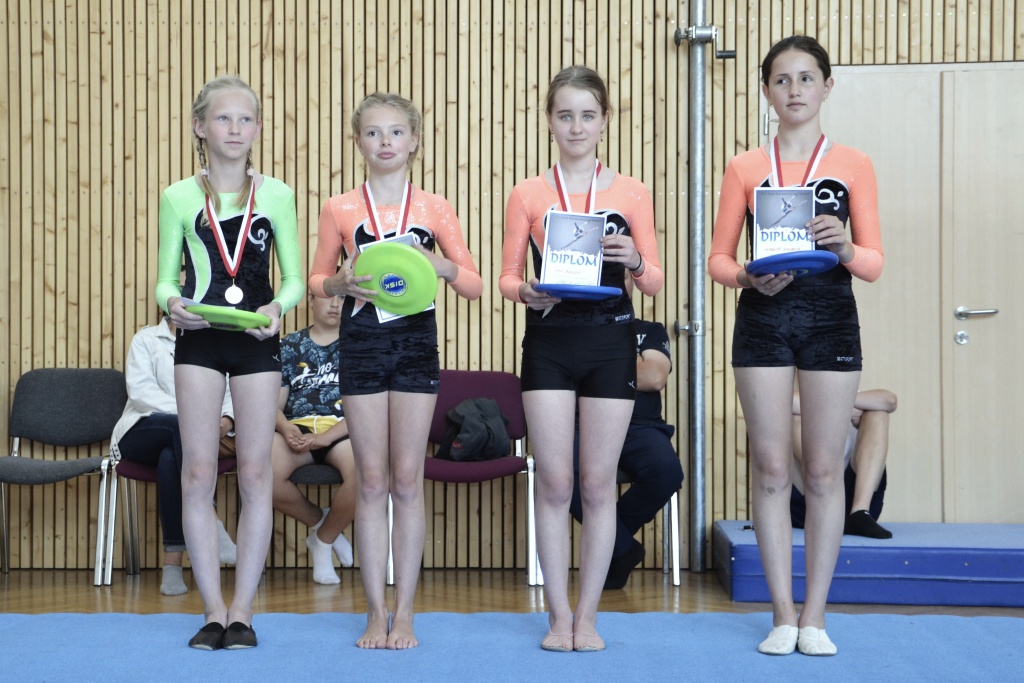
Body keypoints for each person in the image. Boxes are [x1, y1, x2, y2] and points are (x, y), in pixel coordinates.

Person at [708, 36, 883, 657]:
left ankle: (816, 616)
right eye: (782, 80)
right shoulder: (744, 167)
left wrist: (845, 247)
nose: (795, 90)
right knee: (772, 466)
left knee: (824, 469)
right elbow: (718, 259)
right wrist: (745, 277)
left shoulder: (854, 164)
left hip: (830, 317)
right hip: (763, 317)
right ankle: (782, 614)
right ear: (766, 91)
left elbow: (874, 263)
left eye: (807, 78)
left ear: (827, 87)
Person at [309, 92, 482, 649]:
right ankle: (373, 611)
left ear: (415, 142)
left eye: (396, 132)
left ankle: (404, 613)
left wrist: (442, 265)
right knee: (371, 480)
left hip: (414, 343)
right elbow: (316, 280)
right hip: (361, 343)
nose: (385, 142)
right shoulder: (340, 207)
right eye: (373, 133)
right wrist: (337, 283)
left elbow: (474, 285)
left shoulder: (434, 208)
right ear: (357, 142)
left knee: (407, 479)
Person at [500, 65, 664, 653]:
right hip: (549, 342)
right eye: (565, 115)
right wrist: (525, 291)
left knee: (597, 485)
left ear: (604, 120)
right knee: (554, 482)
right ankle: (557, 615)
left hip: (611, 342)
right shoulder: (528, 193)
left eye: (587, 115)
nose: (576, 126)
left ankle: (588, 617)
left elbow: (654, 282)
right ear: (549, 120)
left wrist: (635, 259)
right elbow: (507, 277)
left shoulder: (631, 192)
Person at [156, 75, 304, 650]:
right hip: (199, 340)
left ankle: (243, 610)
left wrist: (278, 307)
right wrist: (171, 304)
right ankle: (212, 610)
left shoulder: (278, 195)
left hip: (255, 341)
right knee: (197, 471)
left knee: (255, 472)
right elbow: (166, 278)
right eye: (223, 118)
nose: (235, 129)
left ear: (258, 129)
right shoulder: (178, 197)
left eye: (245, 119)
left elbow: (293, 279)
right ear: (200, 127)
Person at [111, 311, 239, 596]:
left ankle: (172, 565)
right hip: (140, 429)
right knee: (182, 427)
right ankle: (212, 522)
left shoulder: (216, 342)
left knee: (170, 458)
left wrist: (227, 420)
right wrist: (197, 416)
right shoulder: (146, 339)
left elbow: (232, 391)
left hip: (191, 435)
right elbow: (142, 393)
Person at [568, 277, 683, 590]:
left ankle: (611, 543)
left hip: (640, 427)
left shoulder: (650, 330)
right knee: (563, 474)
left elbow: (654, 376)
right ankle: (622, 548)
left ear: (633, 284)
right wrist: (627, 366)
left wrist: (597, 364)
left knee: (667, 471)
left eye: (620, 276)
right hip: (584, 424)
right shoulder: (571, 331)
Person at [271, 290, 356, 585]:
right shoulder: (289, 346)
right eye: (328, 296)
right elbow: (273, 405)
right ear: (310, 299)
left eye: (343, 298)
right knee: (260, 473)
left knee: (369, 473)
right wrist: (285, 428)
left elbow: (367, 408)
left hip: (343, 430)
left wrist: (328, 437)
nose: (335, 304)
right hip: (296, 429)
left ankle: (323, 539)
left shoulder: (360, 345)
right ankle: (321, 522)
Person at [791, 389, 897, 539]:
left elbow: (890, 400)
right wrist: (842, 410)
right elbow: (783, 403)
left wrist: (841, 403)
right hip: (813, 500)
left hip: (855, 500)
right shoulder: (799, 394)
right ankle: (829, 508)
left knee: (878, 413)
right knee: (793, 417)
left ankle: (860, 511)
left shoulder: (858, 397)